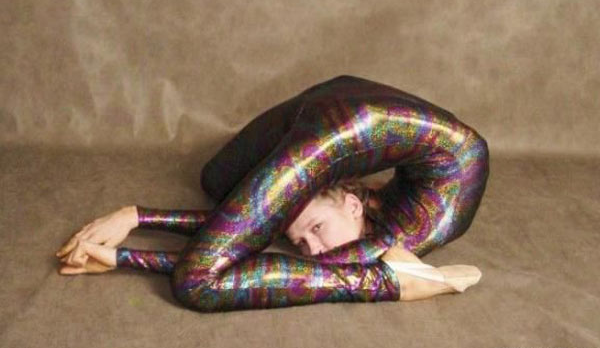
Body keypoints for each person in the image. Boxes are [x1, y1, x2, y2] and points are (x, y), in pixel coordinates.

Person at [55, 74, 490, 311]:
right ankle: (394, 283)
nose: (313, 251)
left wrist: (125, 246)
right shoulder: (391, 240)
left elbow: (233, 249)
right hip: (343, 117)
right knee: (217, 189)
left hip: (346, 101)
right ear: (353, 203)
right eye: (315, 229)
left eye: (306, 237)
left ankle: (398, 285)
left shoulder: (394, 231)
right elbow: (234, 249)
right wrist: (135, 223)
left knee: (203, 266)